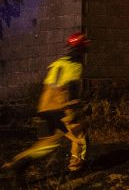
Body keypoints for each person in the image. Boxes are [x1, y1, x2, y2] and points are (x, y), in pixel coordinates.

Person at [2, 32, 90, 173]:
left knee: (46, 145)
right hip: (60, 109)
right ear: (82, 48)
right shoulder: (75, 65)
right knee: (80, 135)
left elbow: (48, 88)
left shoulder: (57, 63)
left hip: (44, 109)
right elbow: (70, 91)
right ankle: (76, 168)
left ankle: (17, 163)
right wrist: (77, 110)